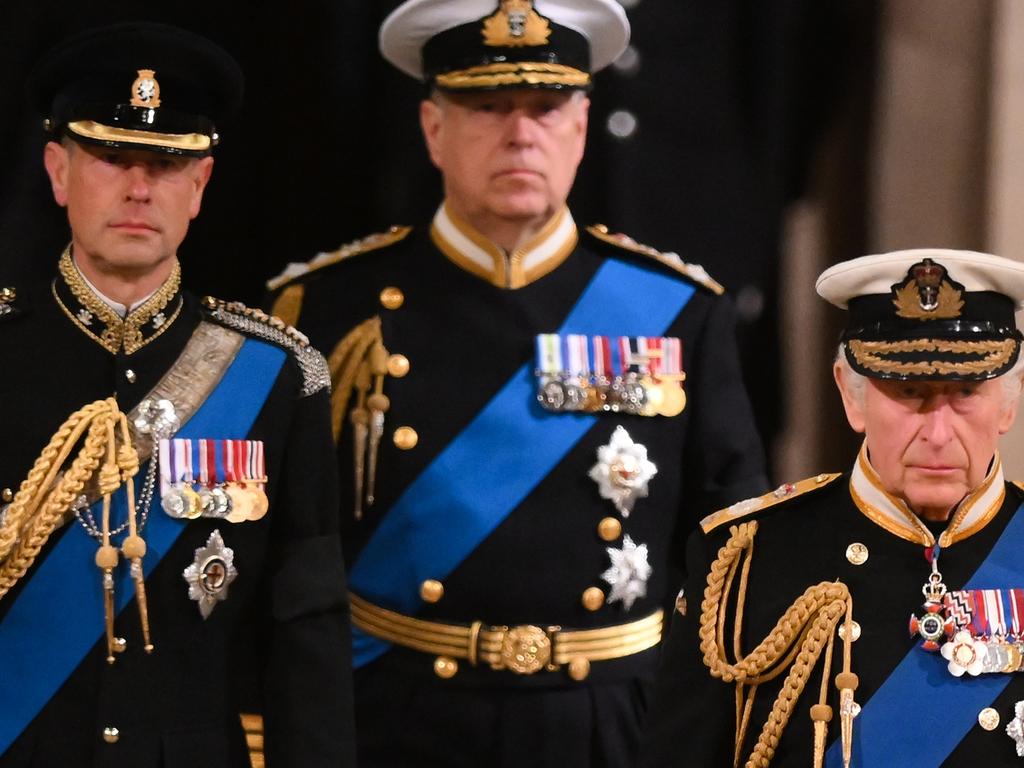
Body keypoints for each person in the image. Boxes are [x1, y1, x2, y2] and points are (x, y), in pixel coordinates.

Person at [266, 1, 766, 765]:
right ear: (433, 129)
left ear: (582, 125)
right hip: (397, 721)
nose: (520, 133)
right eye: (488, 106)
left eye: (545, 107)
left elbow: (733, 557)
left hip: (611, 726)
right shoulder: (331, 310)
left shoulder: (675, 311)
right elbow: (289, 560)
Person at [0, 22, 354, 767]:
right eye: (110, 157)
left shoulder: (277, 375)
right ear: (58, 173)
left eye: (166, 164)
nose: (138, 188)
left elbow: (305, 635)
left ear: (199, 187)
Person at [639, 248, 1024, 767]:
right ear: (852, 396)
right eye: (908, 391)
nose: (937, 433)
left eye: (965, 392)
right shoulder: (743, 564)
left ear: (1010, 400)